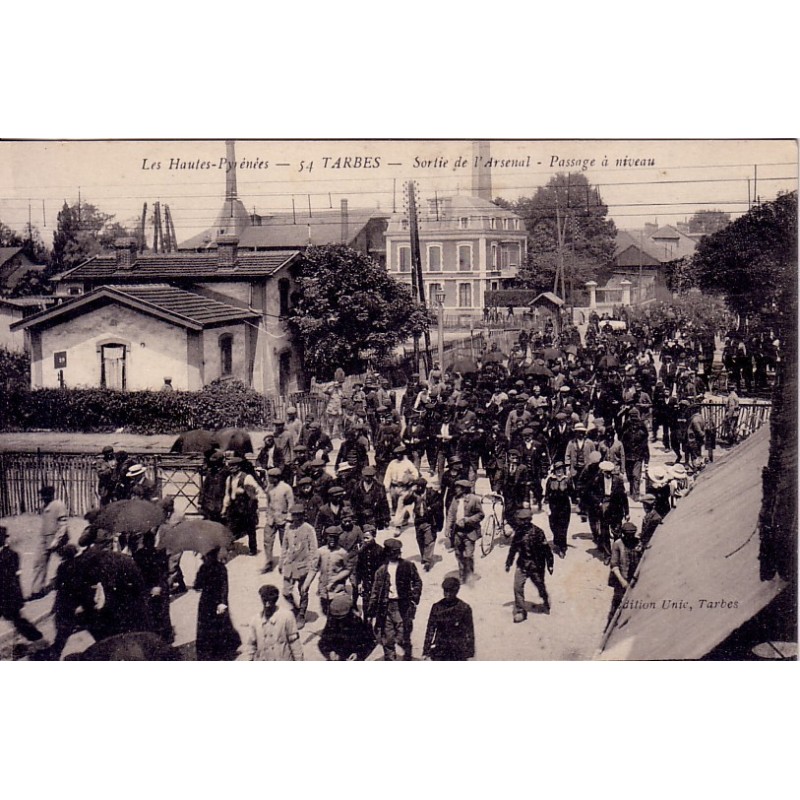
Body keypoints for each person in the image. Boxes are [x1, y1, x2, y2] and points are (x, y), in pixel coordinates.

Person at [367, 538, 422, 661]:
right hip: (386, 607)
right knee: (388, 637)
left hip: (403, 606)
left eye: (397, 552)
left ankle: (407, 655)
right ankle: (390, 659)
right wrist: (371, 612)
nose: (396, 554)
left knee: (403, 635)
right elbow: (375, 592)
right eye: (393, 552)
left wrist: (414, 597)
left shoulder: (408, 566)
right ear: (387, 553)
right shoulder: (381, 571)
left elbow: (417, 582)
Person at [0, 526, 47, 651]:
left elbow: (9, 578)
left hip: (8, 595)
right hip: (5, 595)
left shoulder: (11, 555)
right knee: (18, 621)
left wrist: (17, 598)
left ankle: (38, 639)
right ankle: (33, 639)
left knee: (18, 621)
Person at [505, 509, 553, 621]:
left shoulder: (538, 532)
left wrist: (550, 564)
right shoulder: (518, 533)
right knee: (517, 586)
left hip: (536, 565)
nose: (519, 522)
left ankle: (545, 600)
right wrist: (509, 563)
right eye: (519, 520)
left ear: (527, 520)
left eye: (521, 520)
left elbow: (546, 550)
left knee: (540, 585)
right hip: (522, 564)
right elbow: (513, 549)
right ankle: (521, 611)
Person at [194, 546, 240, 660]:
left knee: (219, 626)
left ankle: (220, 650)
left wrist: (223, 602)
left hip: (216, 601)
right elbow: (197, 585)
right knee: (207, 626)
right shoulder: (204, 568)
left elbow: (225, 587)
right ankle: (209, 650)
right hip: (207, 601)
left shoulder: (220, 568)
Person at [279, 503, 319, 629]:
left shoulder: (308, 529)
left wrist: (312, 566)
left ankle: (301, 614)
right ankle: (296, 609)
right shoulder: (288, 528)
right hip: (290, 566)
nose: (295, 518)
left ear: (302, 516)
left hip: (303, 566)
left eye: (298, 515)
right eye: (294, 515)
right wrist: (281, 562)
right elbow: (284, 546)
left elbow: (314, 549)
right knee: (286, 592)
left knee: (303, 591)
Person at [240, 584, 304, 661]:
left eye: (270, 600)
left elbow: (295, 644)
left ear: (276, 599)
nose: (267, 604)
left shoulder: (287, 616)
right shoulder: (256, 620)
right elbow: (251, 645)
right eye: (264, 599)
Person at [133, 530, 173, 643]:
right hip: (160, 586)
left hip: (147, 588)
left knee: (150, 613)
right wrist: (159, 585)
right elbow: (165, 571)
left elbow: (137, 573)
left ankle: (154, 637)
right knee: (162, 612)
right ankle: (166, 637)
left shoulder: (138, 554)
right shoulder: (160, 553)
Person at [29, 485, 69, 599]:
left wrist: (57, 540)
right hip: (44, 538)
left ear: (51, 495)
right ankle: (36, 591)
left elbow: (63, 525)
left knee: (65, 561)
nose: (43, 498)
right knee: (39, 562)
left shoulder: (58, 505)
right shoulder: (44, 506)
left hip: (58, 539)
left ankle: (68, 582)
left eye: (45, 496)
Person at [422, 576, 475, 661]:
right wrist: (426, 651)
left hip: (457, 651)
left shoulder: (464, 608)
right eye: (446, 591)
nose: (448, 594)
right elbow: (430, 630)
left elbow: (469, 632)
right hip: (440, 650)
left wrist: (470, 654)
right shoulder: (437, 607)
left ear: (457, 591)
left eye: (451, 591)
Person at [443, 479, 484, 585]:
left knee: (469, 555)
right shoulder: (455, 500)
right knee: (459, 554)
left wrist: (468, 520)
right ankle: (462, 576)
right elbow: (451, 514)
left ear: (464, 489)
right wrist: (447, 528)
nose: (456, 490)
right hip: (458, 532)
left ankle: (469, 575)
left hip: (470, 532)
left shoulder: (474, 499)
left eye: (459, 488)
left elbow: (480, 515)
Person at [317, 594, 378, 661]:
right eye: (336, 617)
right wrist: (330, 652)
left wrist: (357, 654)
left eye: (341, 617)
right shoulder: (332, 621)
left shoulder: (357, 622)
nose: (339, 620)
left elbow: (370, 642)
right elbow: (323, 642)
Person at [221, 456, 261, 556]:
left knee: (250, 529)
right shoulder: (229, 478)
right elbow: (227, 494)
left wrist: (246, 491)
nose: (231, 468)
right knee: (230, 527)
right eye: (230, 466)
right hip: (234, 506)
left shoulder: (247, 477)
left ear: (238, 467)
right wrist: (224, 508)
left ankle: (253, 549)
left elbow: (257, 491)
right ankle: (229, 546)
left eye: (233, 466)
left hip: (246, 506)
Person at [606, 521, 640, 627]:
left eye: (632, 534)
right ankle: (610, 624)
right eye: (628, 534)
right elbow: (614, 565)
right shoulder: (618, 544)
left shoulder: (638, 542)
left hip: (634, 577)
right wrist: (623, 582)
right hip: (621, 579)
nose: (630, 537)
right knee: (617, 602)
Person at [262, 467, 294, 574]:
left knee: (284, 542)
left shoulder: (286, 488)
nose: (269, 479)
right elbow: (268, 503)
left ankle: (285, 563)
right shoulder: (269, 488)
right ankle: (268, 561)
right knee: (267, 541)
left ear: (277, 477)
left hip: (283, 519)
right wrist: (267, 515)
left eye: (271, 477)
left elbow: (291, 504)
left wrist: (289, 519)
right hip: (271, 519)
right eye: (269, 477)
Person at [544, 461, 571, 558]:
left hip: (565, 507)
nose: (559, 471)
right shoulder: (550, 480)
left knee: (563, 527)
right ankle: (557, 541)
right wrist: (546, 505)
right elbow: (546, 494)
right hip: (553, 506)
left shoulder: (567, 480)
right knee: (553, 526)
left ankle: (562, 548)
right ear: (554, 471)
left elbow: (572, 492)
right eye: (557, 470)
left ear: (563, 470)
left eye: (561, 469)